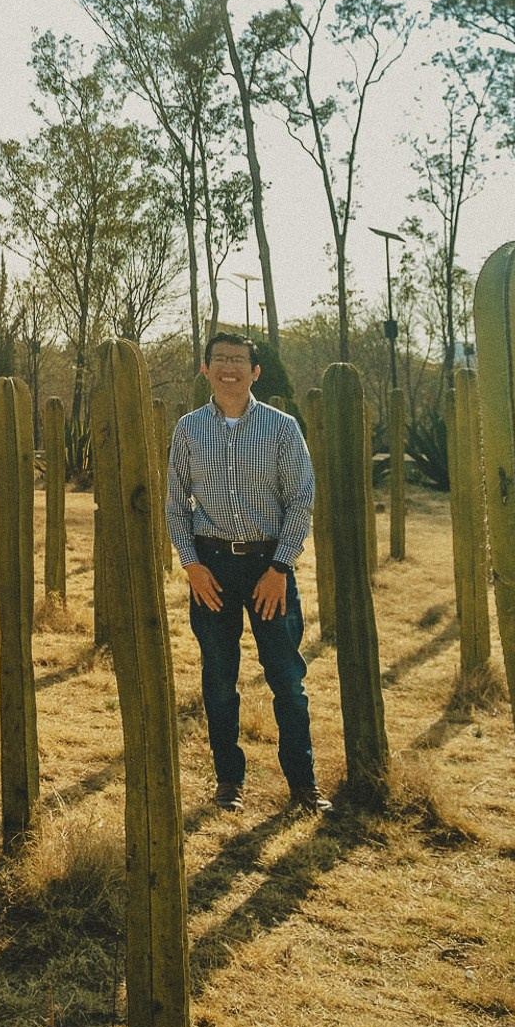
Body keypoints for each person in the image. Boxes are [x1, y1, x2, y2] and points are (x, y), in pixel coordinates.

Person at [165, 331, 330, 814]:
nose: (229, 368)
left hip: (268, 570)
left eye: (239, 360)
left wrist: (281, 567)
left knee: (287, 679)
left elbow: (301, 499)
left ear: (255, 371)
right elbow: (176, 505)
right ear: (206, 369)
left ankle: (303, 786)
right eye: (220, 360)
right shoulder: (188, 430)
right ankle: (228, 783)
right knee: (219, 679)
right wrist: (191, 565)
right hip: (210, 569)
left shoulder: (281, 428)